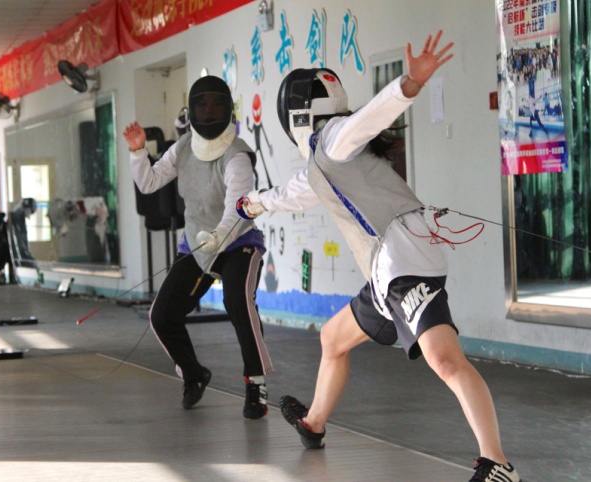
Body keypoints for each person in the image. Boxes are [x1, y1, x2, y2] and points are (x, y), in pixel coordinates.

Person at [238, 31, 520, 481]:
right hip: (387, 274)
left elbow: (369, 118)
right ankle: (313, 424)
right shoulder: (324, 160)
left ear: (296, 113)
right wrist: (253, 203)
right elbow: (295, 193)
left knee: (446, 361)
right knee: (333, 339)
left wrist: (410, 84)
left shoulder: (334, 138)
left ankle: (498, 464)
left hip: (405, 264)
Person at [124, 75, 274, 419]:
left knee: (238, 302)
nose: (208, 111)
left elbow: (238, 209)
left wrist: (218, 237)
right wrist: (138, 151)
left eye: (216, 104)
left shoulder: (237, 156)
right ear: (192, 110)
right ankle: (193, 374)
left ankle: (256, 384)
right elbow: (149, 183)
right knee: (162, 315)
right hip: (196, 243)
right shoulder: (183, 148)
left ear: (228, 109)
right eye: (202, 105)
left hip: (238, 242)